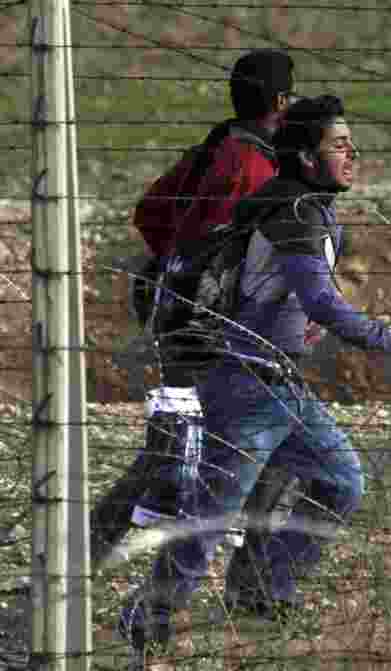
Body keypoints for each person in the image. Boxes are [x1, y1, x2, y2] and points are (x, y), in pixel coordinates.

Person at [119, 94, 391, 653]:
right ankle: (147, 618)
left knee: (340, 481)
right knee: (212, 515)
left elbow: (296, 298)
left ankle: (261, 589)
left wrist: (297, 326)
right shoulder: (294, 213)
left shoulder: (303, 206)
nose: (353, 155)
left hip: (278, 382)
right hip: (245, 384)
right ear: (307, 158)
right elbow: (322, 302)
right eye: (339, 146)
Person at [92, 49, 300, 567]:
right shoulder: (253, 167)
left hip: (179, 309)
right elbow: (237, 249)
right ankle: (242, 580)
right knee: (273, 433)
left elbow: (150, 212)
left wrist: (177, 263)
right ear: (280, 101)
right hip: (216, 325)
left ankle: (88, 553)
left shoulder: (215, 149)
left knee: (183, 445)